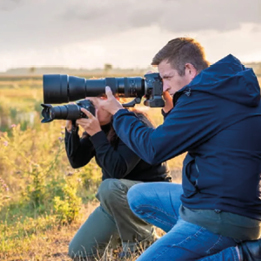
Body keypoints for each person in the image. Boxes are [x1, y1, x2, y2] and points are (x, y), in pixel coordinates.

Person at [94, 37, 261, 260]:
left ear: (189, 70)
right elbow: (195, 135)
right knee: (137, 196)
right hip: (218, 204)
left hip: (220, 217)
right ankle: (189, 242)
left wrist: (119, 113)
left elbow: (153, 150)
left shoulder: (203, 99)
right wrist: (170, 110)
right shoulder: (221, 90)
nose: (164, 86)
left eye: (167, 77)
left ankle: (239, 256)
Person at [64, 97, 171, 260]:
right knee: (80, 251)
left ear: (112, 102)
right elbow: (77, 161)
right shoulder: (103, 126)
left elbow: (117, 170)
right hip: (119, 201)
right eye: (87, 106)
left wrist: (97, 134)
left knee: (109, 187)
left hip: (150, 197)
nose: (91, 111)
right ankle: (141, 243)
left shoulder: (134, 123)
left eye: (94, 106)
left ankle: (142, 244)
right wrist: (71, 131)